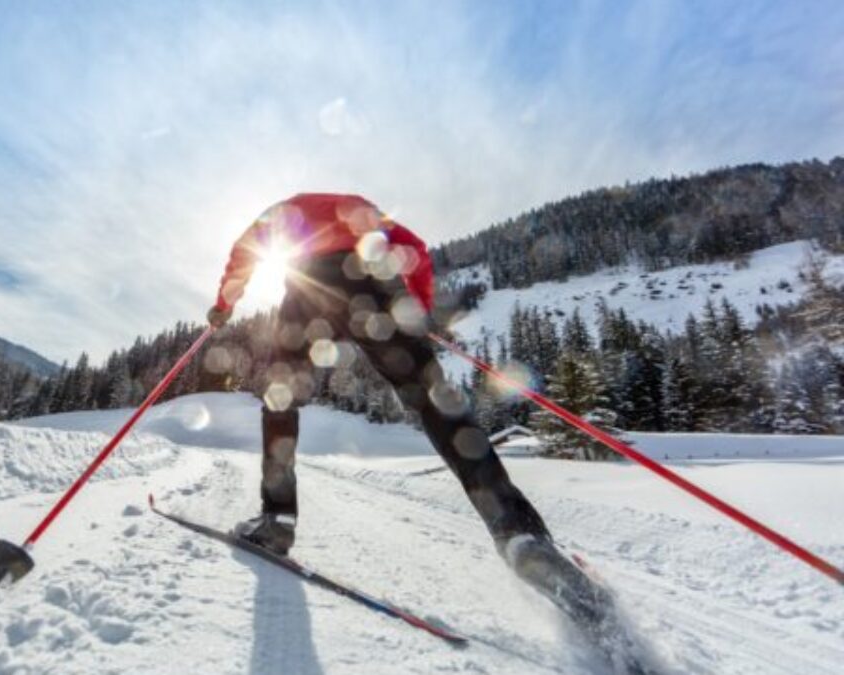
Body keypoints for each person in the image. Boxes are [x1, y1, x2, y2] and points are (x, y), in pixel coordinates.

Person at [207, 193, 612, 628]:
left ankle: (278, 518)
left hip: (307, 290)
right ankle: (518, 531)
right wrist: (416, 305)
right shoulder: (359, 206)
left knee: (281, 400)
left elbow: (245, 252)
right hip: (373, 289)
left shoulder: (288, 208)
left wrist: (224, 306)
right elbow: (414, 248)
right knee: (434, 400)